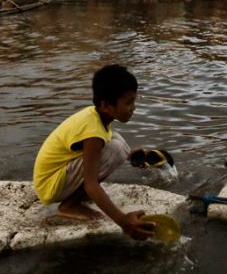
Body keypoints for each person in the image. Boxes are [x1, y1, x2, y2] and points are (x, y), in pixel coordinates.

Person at [33, 64, 156, 240]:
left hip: (55, 177)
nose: (133, 108)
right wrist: (123, 221)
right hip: (50, 185)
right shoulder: (93, 132)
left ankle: (76, 197)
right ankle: (69, 205)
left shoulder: (96, 115)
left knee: (118, 142)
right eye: (128, 103)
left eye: (133, 101)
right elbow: (91, 184)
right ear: (106, 105)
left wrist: (131, 156)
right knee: (115, 149)